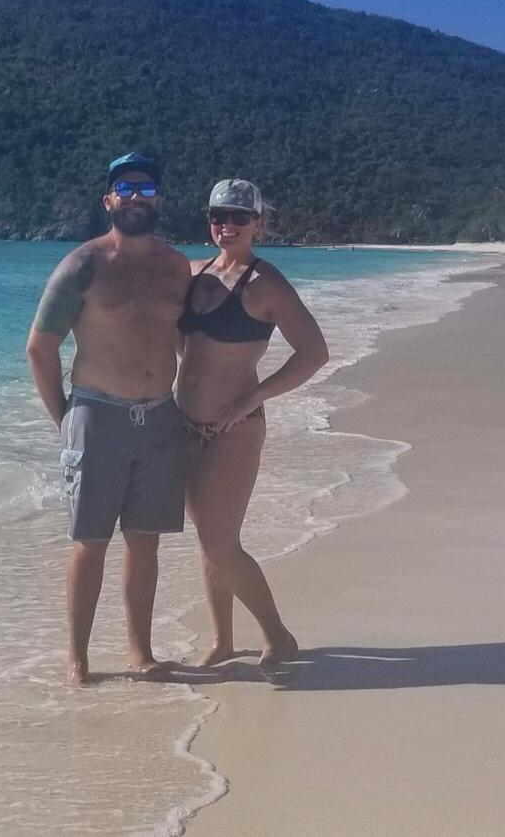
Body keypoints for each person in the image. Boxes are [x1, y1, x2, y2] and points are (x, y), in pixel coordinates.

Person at [26, 152, 193, 685]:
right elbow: (40, 347)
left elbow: (186, 342)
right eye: (126, 188)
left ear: (159, 201)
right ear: (108, 200)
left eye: (147, 188)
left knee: (145, 541)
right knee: (91, 540)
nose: (136, 197)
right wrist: (65, 418)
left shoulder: (177, 267)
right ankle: (77, 659)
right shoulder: (83, 265)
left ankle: (140, 652)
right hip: (97, 414)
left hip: (160, 416)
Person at [176, 179, 329, 669]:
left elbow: (314, 352)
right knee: (207, 540)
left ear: (258, 224)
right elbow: (181, 345)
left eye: (240, 217)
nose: (227, 224)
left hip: (234, 430)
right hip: (185, 425)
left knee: (220, 543)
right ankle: (222, 642)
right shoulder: (194, 274)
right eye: (218, 215)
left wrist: (251, 397)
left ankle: (278, 637)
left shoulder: (265, 283)